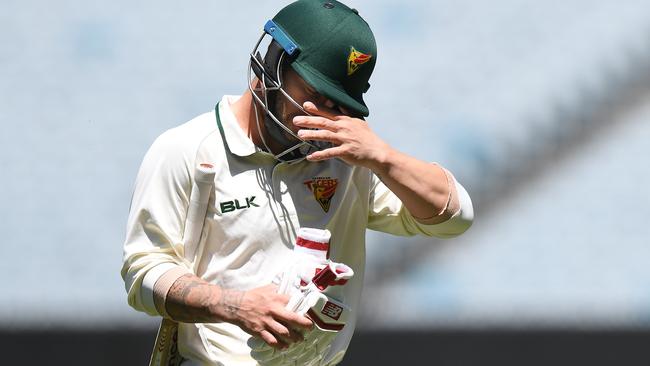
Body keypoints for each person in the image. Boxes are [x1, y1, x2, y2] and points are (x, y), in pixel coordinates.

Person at [121, 0, 474, 365]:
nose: (321, 114)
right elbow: (143, 274)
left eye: (336, 103)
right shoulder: (187, 149)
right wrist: (235, 306)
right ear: (274, 63)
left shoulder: (349, 159)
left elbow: (454, 217)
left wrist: (382, 157)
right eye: (314, 93)